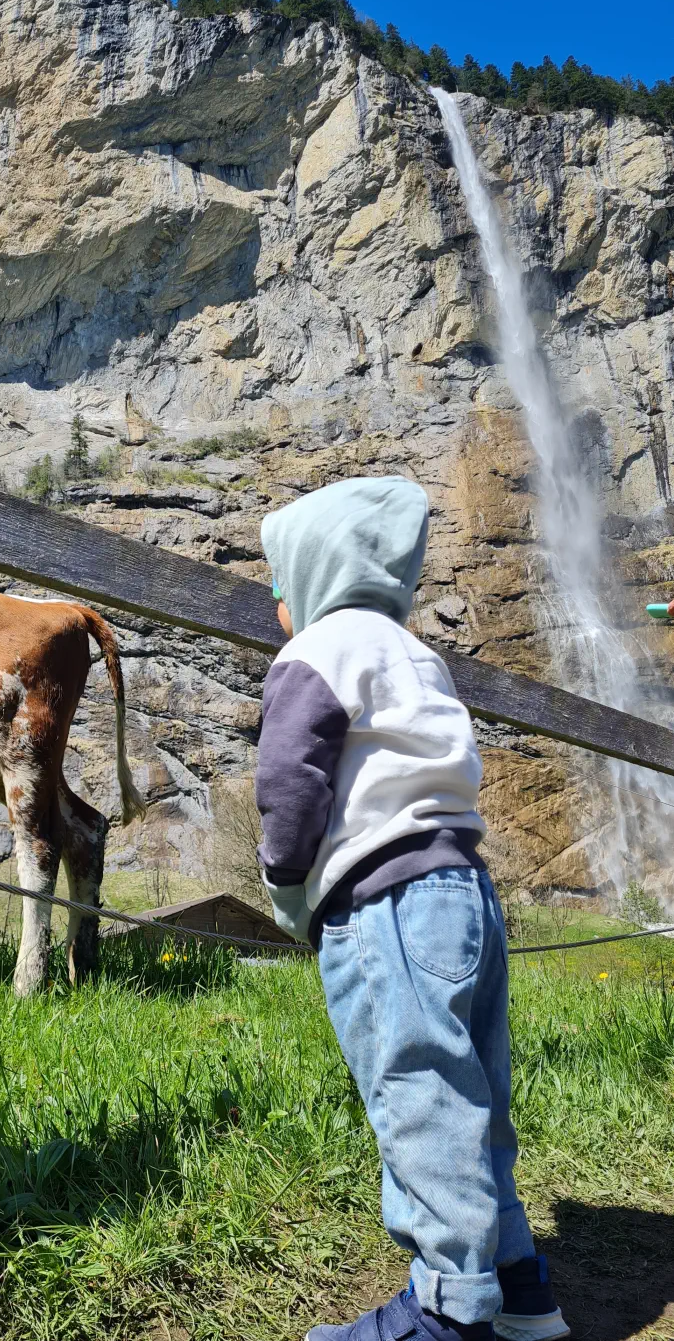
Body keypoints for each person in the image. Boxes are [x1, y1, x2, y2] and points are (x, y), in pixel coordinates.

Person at [255, 476, 568, 1341]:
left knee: (420, 1094)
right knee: (478, 1095)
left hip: (386, 905)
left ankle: (447, 1310)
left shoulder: (315, 650)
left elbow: (289, 779)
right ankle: (520, 1284)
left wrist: (286, 883)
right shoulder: (415, 653)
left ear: (315, 573)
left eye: (279, 581)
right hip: (468, 890)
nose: (275, 601)